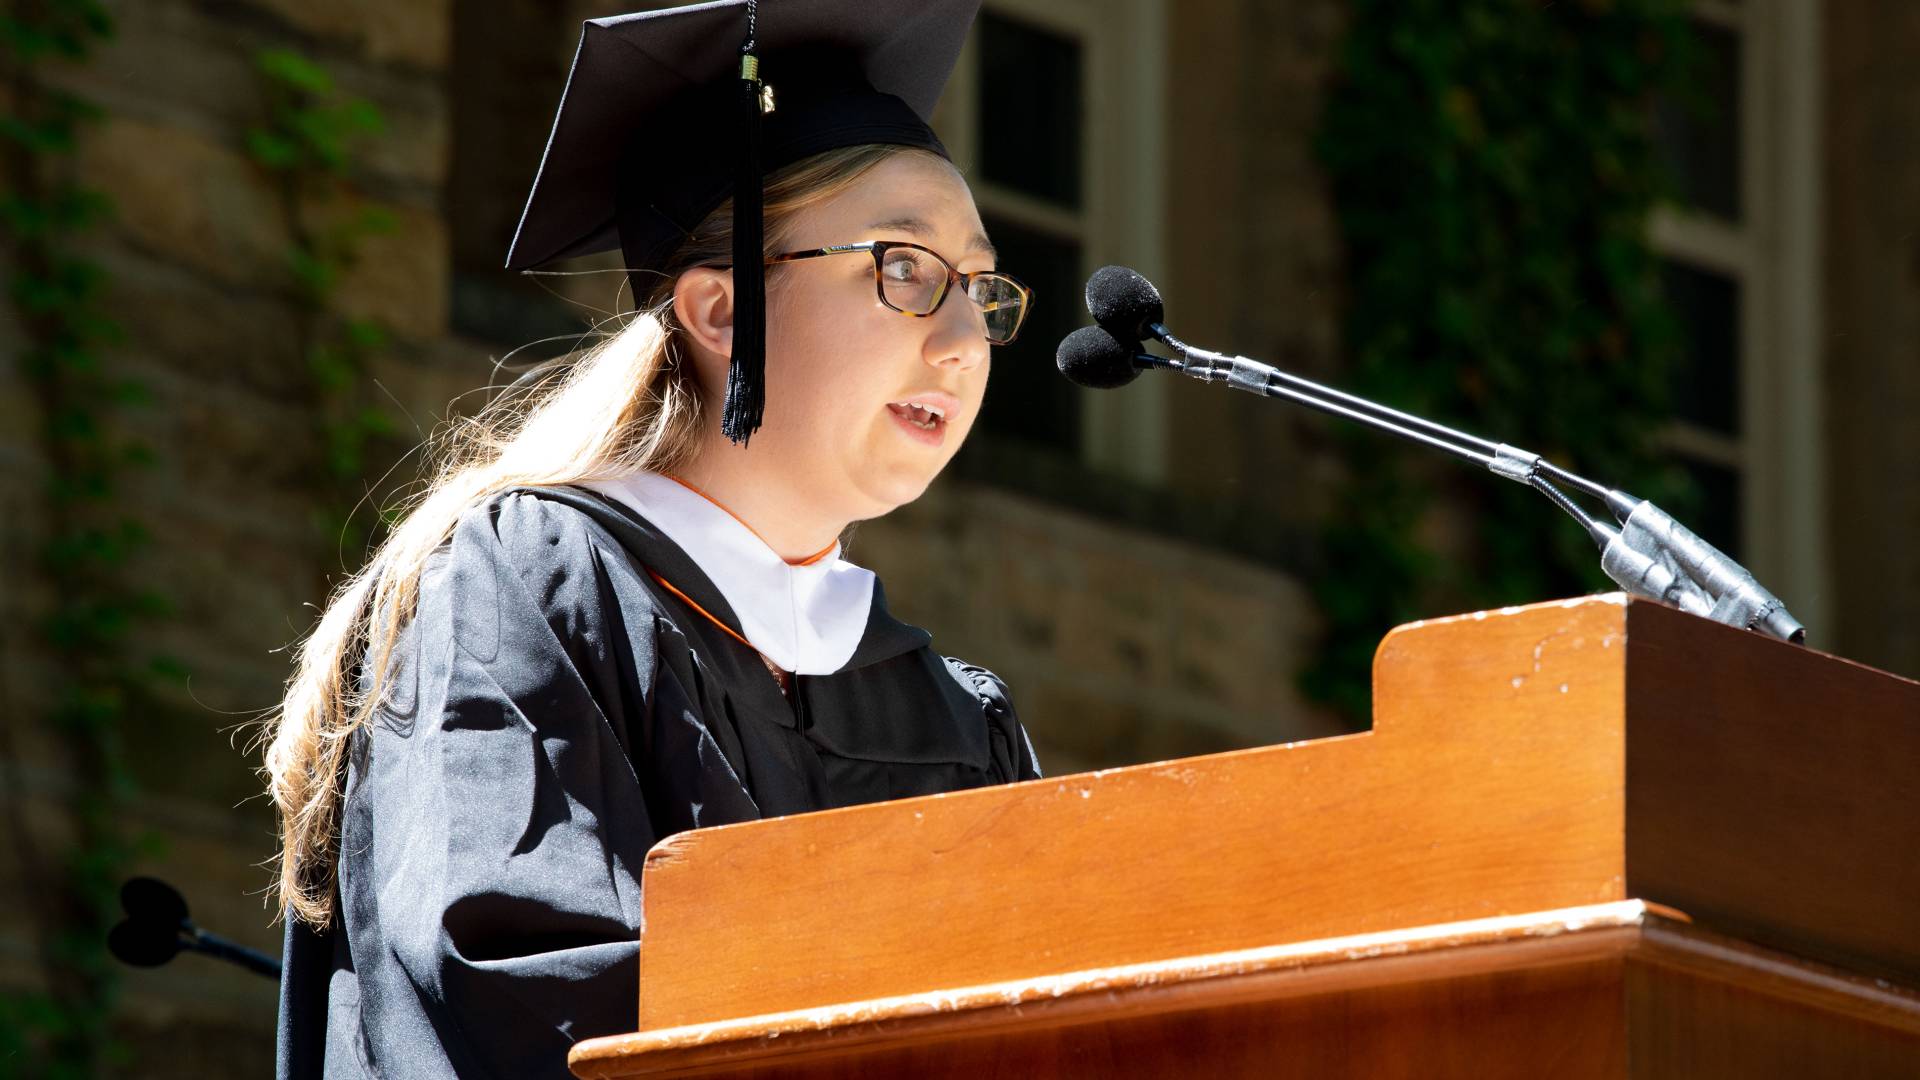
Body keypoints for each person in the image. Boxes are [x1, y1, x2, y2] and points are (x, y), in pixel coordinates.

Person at [261, 2, 1041, 1076]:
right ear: (720, 313)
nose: (962, 343)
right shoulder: (529, 587)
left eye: (980, 289)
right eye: (904, 268)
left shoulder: (950, 714)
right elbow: (520, 985)